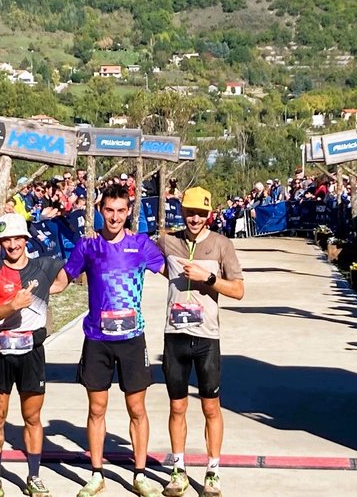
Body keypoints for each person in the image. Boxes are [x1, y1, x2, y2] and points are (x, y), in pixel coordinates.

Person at [56, 184, 166, 497]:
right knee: (96, 408)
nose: (115, 217)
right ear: (100, 211)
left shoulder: (141, 244)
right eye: (109, 210)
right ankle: (96, 473)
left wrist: (205, 281)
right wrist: (37, 292)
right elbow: (64, 278)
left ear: (129, 211)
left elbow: (171, 273)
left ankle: (140, 474)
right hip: (97, 339)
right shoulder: (88, 246)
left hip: (132, 338)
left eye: (120, 210)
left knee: (137, 409)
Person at [156, 187, 244, 497]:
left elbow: (238, 290)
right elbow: (149, 261)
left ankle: (213, 472)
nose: (195, 218)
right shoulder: (168, 241)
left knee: (211, 407)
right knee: (177, 406)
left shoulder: (221, 244)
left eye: (201, 213)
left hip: (207, 337)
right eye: (190, 212)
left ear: (210, 215)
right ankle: (178, 470)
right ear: (181, 211)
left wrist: (208, 280)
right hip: (175, 335)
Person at [0, 213, 68, 497]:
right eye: (7, 240)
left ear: (26, 240)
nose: (12, 245)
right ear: (1, 242)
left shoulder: (44, 265)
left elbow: (64, 279)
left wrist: (45, 294)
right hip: (0, 352)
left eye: (17, 238)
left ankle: (33, 476)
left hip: (32, 351)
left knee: (32, 417)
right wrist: (14, 304)